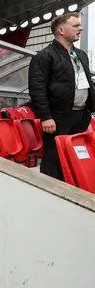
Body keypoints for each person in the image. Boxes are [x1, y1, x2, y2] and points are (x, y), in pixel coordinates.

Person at [28, 12, 95, 181]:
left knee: (74, 154)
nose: (81, 28)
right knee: (54, 157)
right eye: (75, 26)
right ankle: (49, 190)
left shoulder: (81, 55)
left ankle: (70, 187)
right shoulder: (45, 56)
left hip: (81, 115)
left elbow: (88, 82)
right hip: (58, 117)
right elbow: (37, 88)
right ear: (61, 30)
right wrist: (46, 117)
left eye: (80, 25)